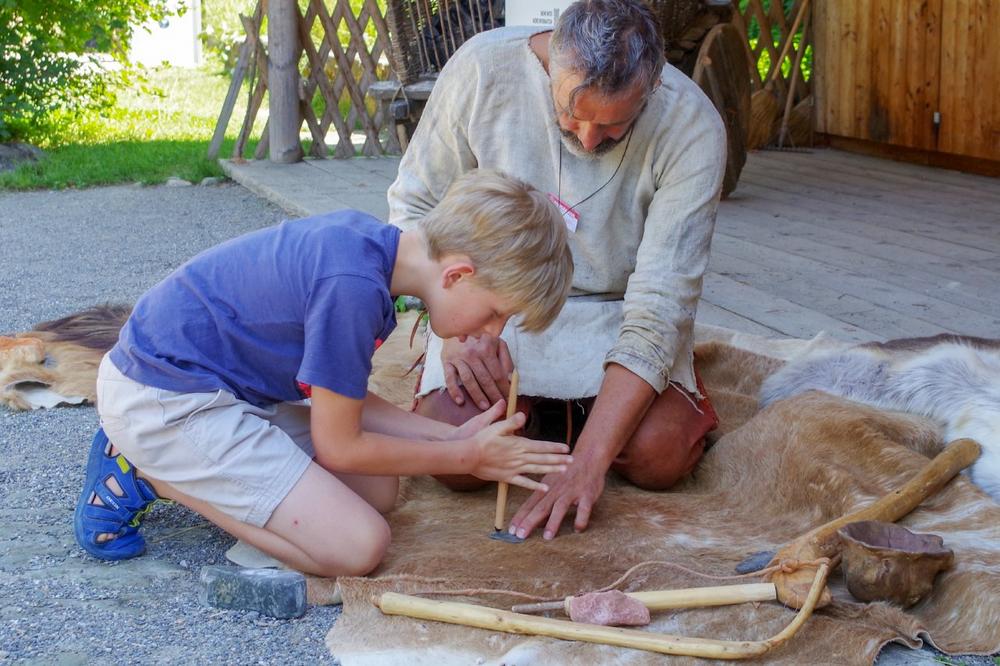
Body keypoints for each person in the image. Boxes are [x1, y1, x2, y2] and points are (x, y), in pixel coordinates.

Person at [73, 169, 575, 577]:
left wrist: (448, 436)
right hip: (162, 399)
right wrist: (465, 456)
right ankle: (153, 472)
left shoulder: (372, 252)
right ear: (458, 275)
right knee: (358, 547)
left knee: (378, 491)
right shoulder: (352, 290)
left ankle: (175, 460)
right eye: (496, 313)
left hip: (221, 389)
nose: (493, 331)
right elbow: (340, 446)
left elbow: (341, 394)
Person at [388, 0, 727, 541]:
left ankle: (568, 424)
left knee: (659, 455)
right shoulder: (481, 69)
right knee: (452, 448)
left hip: (617, 313)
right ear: (553, 63)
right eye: (572, 111)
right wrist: (455, 331)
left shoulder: (692, 125)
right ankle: (546, 417)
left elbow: (662, 304)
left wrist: (589, 462)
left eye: (614, 123)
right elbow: (414, 209)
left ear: (653, 87)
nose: (588, 138)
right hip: (495, 306)